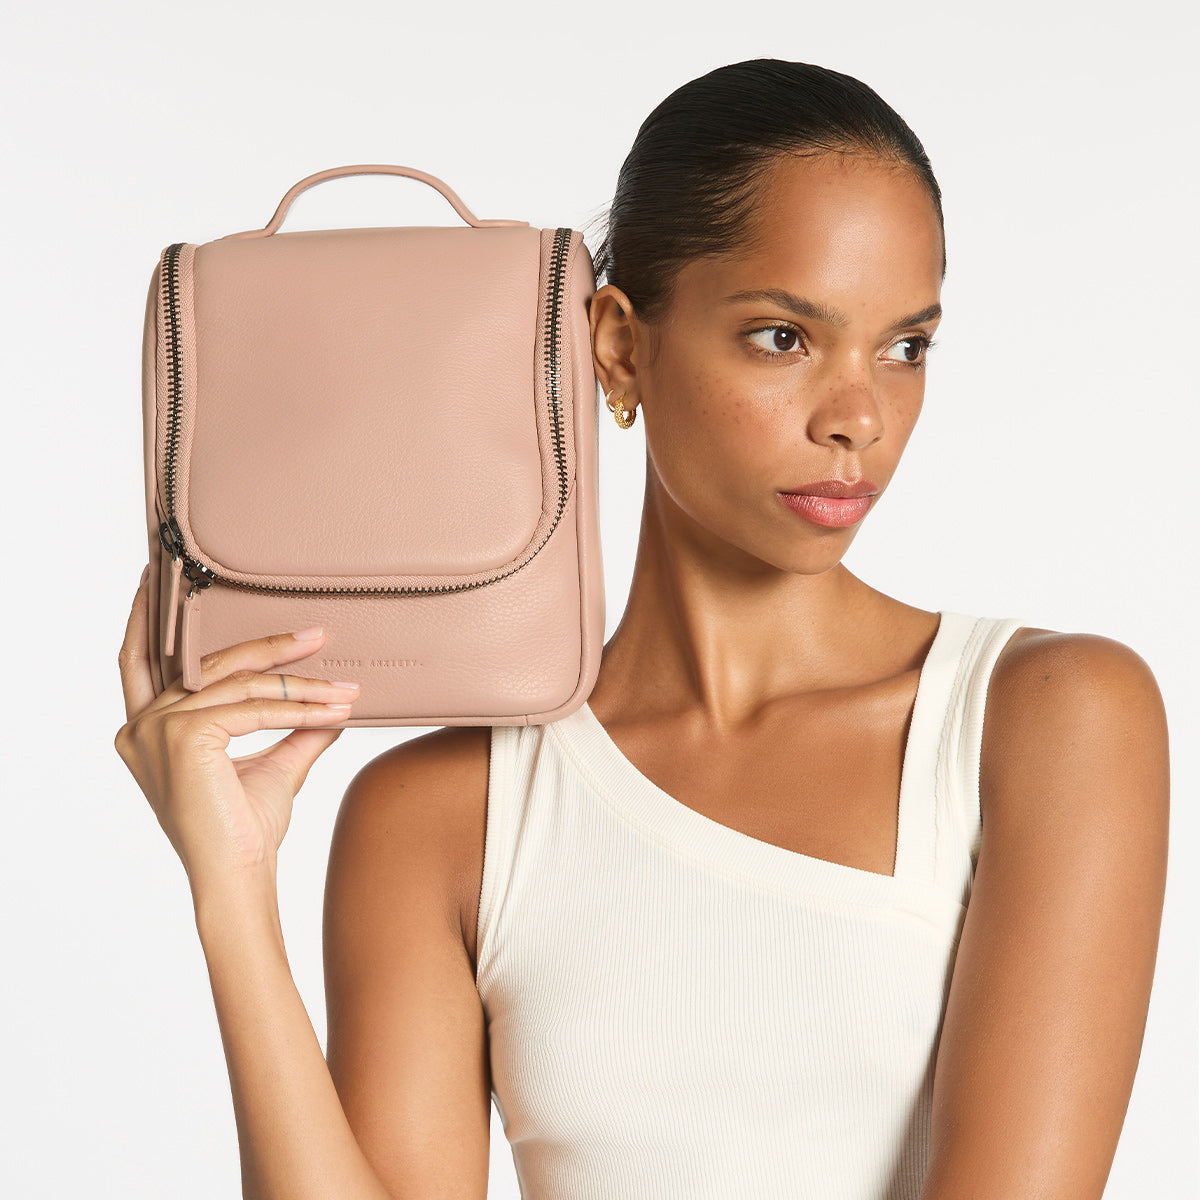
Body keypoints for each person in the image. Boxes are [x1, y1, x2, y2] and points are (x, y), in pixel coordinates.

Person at [115, 59, 1169, 1200]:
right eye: (784, 337)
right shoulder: (440, 816)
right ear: (619, 347)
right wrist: (231, 889)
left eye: (905, 347)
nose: (859, 417)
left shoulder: (1045, 720)